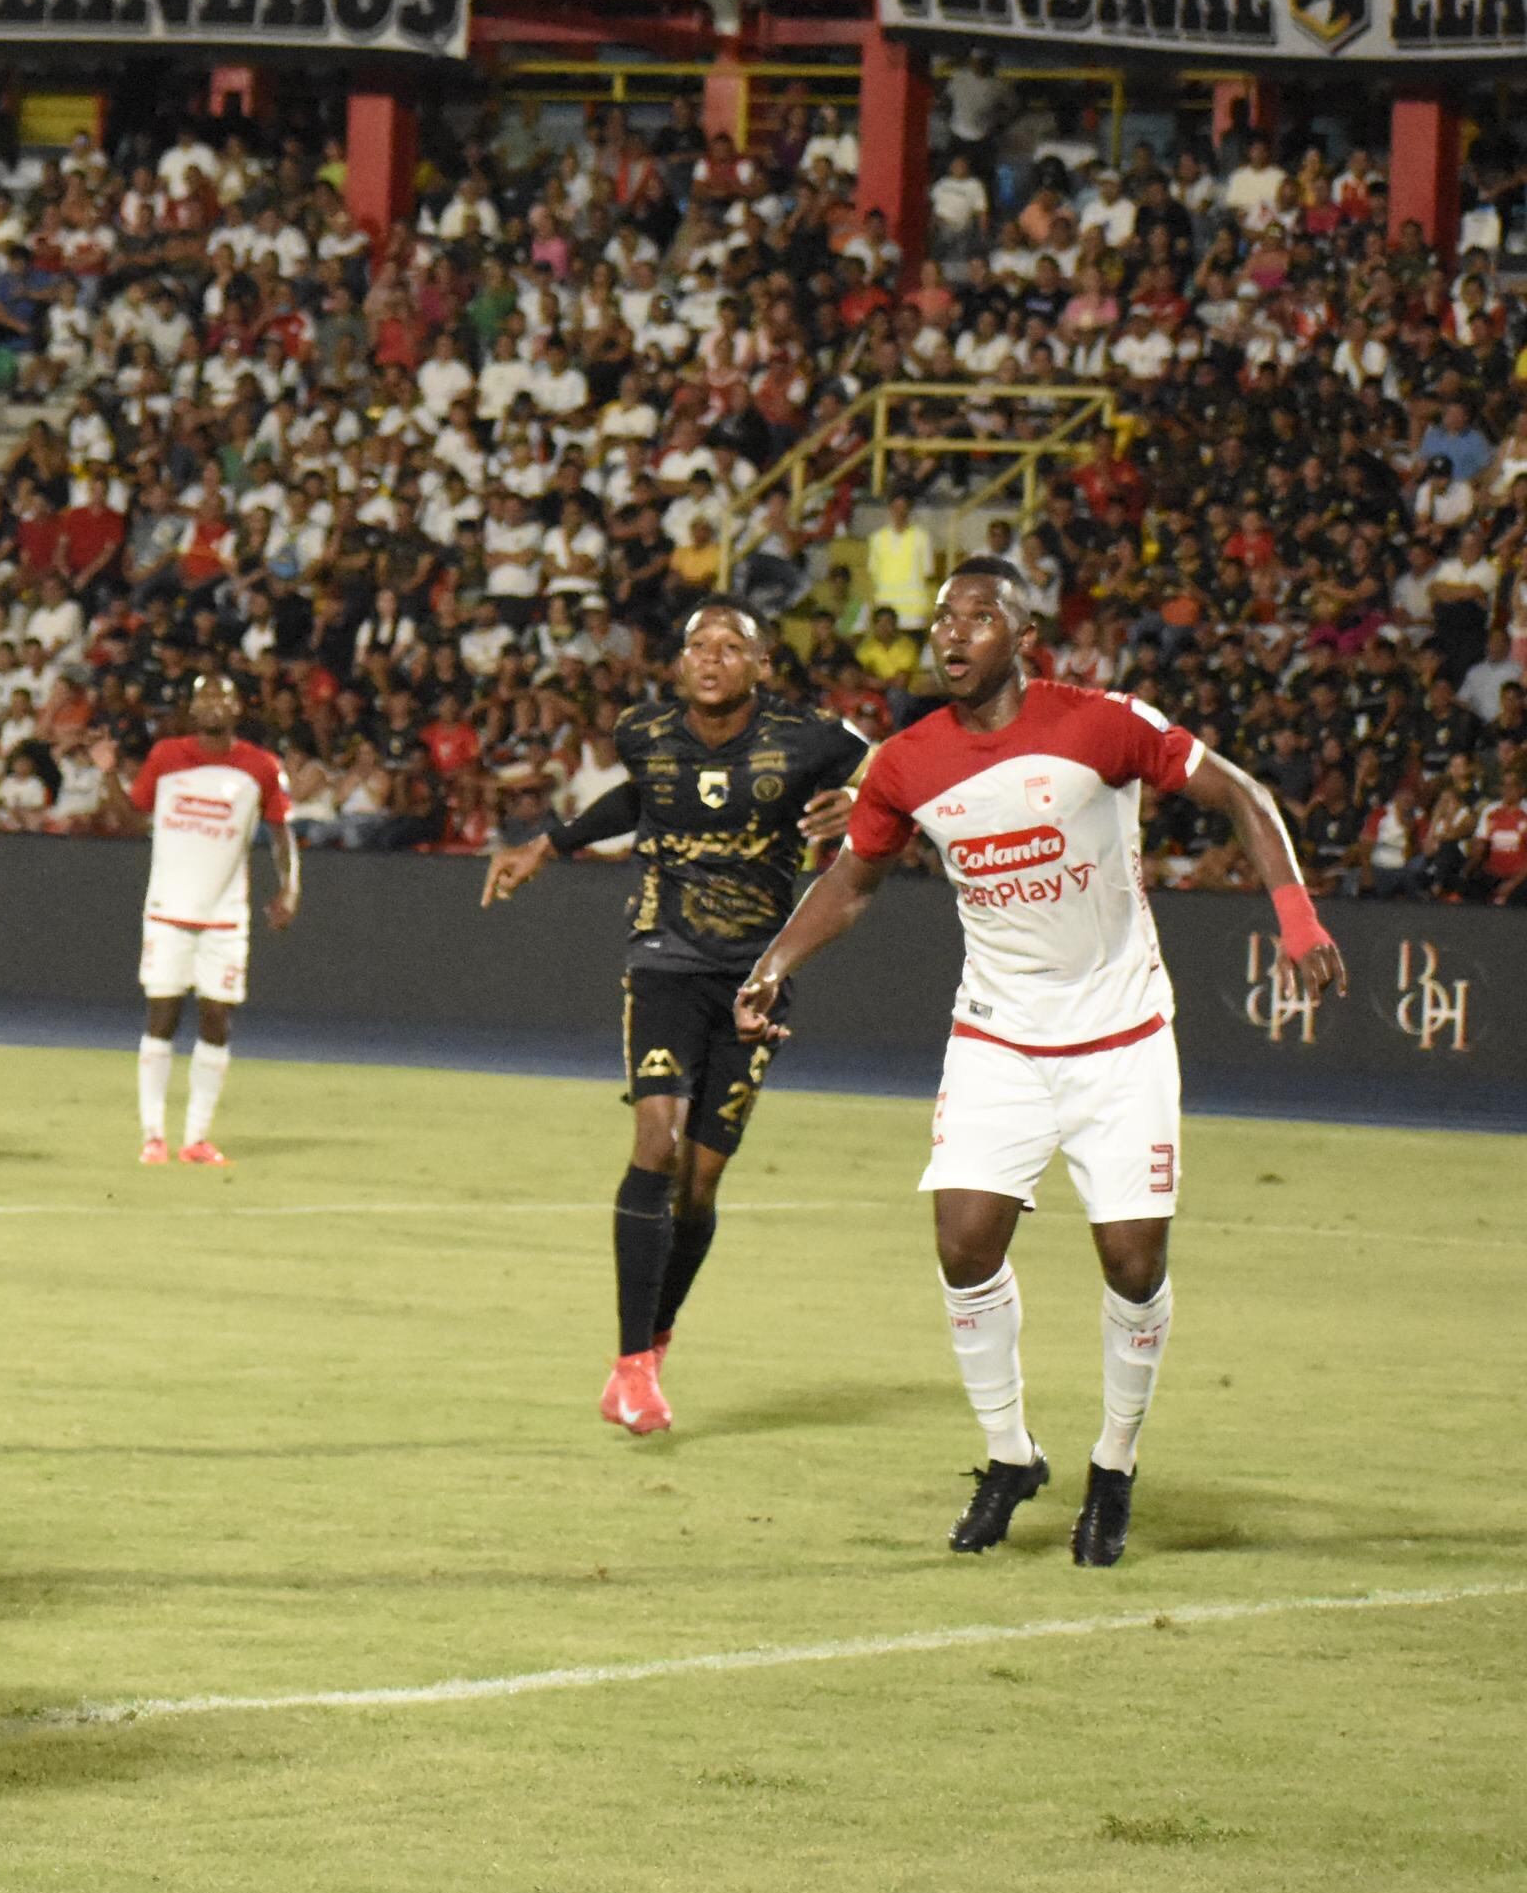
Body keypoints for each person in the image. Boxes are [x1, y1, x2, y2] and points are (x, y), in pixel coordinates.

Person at [733, 559, 1338, 1566]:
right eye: (941, 618)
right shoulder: (904, 762)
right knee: (962, 1244)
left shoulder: (1098, 724)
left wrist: (1295, 919)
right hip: (997, 1036)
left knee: (1131, 1263)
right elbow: (852, 879)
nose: (952, 633)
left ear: (1021, 635)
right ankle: (1010, 1456)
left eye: (978, 616)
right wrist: (770, 963)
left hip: (1120, 1035)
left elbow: (1241, 792)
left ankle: (1112, 1465)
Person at [484, 602, 864, 1433]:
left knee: (700, 1182)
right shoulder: (643, 730)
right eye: (697, 644)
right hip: (663, 959)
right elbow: (640, 797)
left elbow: (895, 770)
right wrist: (546, 845)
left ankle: (652, 1347)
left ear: (762, 665)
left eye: (733, 646)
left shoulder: (808, 737)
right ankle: (627, 1365)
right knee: (655, 1136)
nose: (711, 658)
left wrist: (859, 801)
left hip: (758, 977)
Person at [124, 672, 300, 1167]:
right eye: (204, 696)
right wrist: (104, 774)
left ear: (238, 708)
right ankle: (153, 1134)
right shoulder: (165, 758)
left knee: (217, 1019)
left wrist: (290, 886)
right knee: (161, 1016)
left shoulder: (260, 767)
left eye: (222, 696)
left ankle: (196, 1137)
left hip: (224, 917)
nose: (213, 705)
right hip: (167, 911)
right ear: (192, 709)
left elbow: (282, 832)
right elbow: (133, 817)